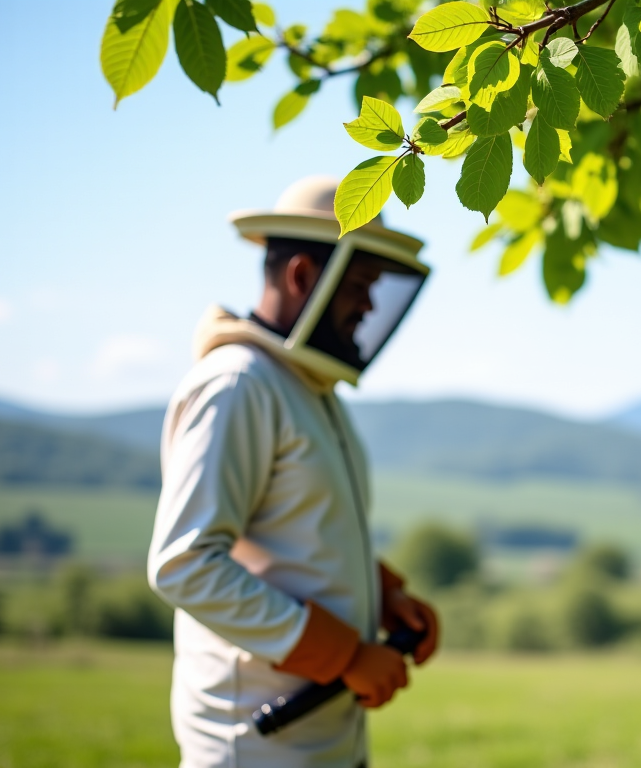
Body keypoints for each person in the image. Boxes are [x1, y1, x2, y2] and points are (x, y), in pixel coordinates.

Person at [148, 176, 438, 767]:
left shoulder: (308, 391)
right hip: (254, 749)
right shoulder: (238, 384)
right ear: (304, 275)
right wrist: (347, 656)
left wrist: (382, 595)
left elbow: (298, 531)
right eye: (360, 286)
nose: (368, 306)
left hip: (319, 744)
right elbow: (185, 564)